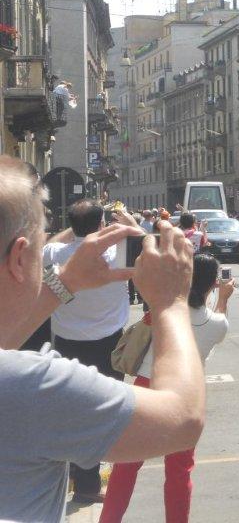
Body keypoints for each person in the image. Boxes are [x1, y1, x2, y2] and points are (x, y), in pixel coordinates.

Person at [0, 155, 205, 522]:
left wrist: (65, 282)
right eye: (38, 244)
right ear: (19, 258)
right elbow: (184, 420)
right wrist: (171, 303)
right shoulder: (30, 385)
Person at [100, 254, 231, 523]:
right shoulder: (216, 324)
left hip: (146, 386)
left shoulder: (162, 310)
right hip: (186, 396)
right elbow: (217, 321)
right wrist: (225, 299)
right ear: (213, 284)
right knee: (180, 470)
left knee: (126, 465)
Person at [43, 200, 132, 503]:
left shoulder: (55, 255)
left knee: (72, 412)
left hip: (67, 342)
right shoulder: (115, 252)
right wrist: (118, 222)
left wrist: (78, 228)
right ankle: (88, 484)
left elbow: (51, 246)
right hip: (110, 343)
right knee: (104, 413)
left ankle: (78, 477)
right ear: (100, 226)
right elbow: (135, 233)